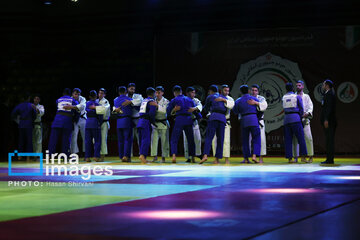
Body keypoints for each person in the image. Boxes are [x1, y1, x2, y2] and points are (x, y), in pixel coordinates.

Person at [167, 85, 198, 163]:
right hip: (188, 120)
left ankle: (174, 156)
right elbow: (195, 111)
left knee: (174, 139)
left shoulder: (174, 100)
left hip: (179, 120)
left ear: (174, 93)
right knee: (191, 139)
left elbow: (168, 112)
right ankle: (193, 157)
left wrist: (174, 110)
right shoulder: (189, 99)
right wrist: (199, 117)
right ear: (181, 92)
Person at [233, 85, 261, 163]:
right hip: (253, 119)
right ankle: (254, 156)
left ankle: (246, 159)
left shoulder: (238, 101)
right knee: (256, 138)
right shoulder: (254, 99)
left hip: (244, 120)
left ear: (241, 92)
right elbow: (260, 109)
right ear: (249, 91)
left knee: (245, 140)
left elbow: (235, 111)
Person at [199, 85, 227, 164]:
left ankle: (205, 156)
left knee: (209, 137)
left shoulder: (210, 97)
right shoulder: (224, 97)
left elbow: (206, 108)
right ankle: (217, 159)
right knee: (220, 139)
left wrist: (208, 112)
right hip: (222, 118)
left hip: (214, 117)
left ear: (210, 91)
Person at [282, 82, 308, 163]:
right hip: (296, 119)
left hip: (286, 119)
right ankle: (303, 157)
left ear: (286, 89)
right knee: (301, 138)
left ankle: (290, 158)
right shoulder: (297, 97)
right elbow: (301, 108)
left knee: (288, 140)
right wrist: (299, 116)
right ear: (293, 88)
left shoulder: (283, 97)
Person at [48, 88, 79, 155]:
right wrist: (75, 120)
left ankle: (50, 155)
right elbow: (77, 111)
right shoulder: (73, 100)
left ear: (63, 93)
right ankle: (64, 155)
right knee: (66, 139)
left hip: (57, 121)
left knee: (53, 139)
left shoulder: (58, 100)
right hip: (67, 121)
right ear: (71, 94)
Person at [211, 84, 234, 164]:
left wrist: (224, 100)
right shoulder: (216, 97)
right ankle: (216, 158)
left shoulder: (230, 99)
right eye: (225, 90)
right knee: (215, 140)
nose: (227, 92)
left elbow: (231, 105)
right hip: (216, 120)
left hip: (226, 122)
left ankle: (226, 159)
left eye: (228, 90)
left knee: (226, 140)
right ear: (221, 90)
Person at [292, 80, 314, 163]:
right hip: (296, 119)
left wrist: (307, 113)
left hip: (305, 120)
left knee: (308, 138)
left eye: (299, 85)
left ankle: (310, 155)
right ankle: (295, 157)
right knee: (295, 139)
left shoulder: (306, 97)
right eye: (297, 85)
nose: (298, 87)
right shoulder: (293, 96)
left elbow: (310, 107)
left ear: (303, 86)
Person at [11, 93, 37, 160]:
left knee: (21, 141)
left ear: (23, 98)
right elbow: (35, 115)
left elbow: (13, 114)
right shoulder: (31, 105)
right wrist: (32, 120)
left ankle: (20, 156)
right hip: (29, 124)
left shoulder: (19, 105)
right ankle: (28, 157)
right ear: (28, 98)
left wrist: (18, 120)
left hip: (21, 124)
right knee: (29, 140)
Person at [122, 83, 143, 156]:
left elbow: (140, 102)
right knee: (128, 137)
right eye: (131, 89)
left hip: (137, 118)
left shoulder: (138, 96)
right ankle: (129, 154)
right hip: (129, 119)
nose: (133, 90)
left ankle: (141, 154)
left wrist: (130, 101)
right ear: (127, 89)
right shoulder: (124, 96)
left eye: (134, 89)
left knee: (139, 137)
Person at [248, 84, 268, 163]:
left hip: (259, 121)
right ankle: (247, 157)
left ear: (258, 91)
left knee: (262, 139)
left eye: (255, 90)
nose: (254, 92)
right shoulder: (248, 98)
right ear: (250, 91)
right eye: (252, 90)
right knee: (248, 140)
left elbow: (265, 106)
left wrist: (256, 103)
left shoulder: (261, 98)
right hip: (250, 121)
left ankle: (261, 158)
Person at [137, 87, 158, 163]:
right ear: (154, 93)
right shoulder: (151, 101)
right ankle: (142, 156)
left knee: (142, 139)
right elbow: (152, 113)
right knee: (146, 139)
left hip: (140, 121)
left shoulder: (144, 100)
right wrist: (153, 122)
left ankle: (142, 156)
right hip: (146, 122)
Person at [113, 86, 133, 162]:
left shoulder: (115, 100)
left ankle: (121, 156)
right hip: (127, 120)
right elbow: (138, 103)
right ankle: (126, 156)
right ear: (126, 92)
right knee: (127, 139)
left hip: (119, 121)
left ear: (119, 92)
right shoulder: (129, 99)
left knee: (120, 140)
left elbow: (114, 108)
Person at [150, 86, 170, 163]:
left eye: (159, 92)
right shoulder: (152, 100)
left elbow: (165, 111)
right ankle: (154, 156)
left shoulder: (166, 101)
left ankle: (163, 157)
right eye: (156, 92)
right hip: (155, 123)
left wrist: (157, 106)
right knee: (154, 141)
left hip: (163, 122)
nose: (157, 94)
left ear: (162, 93)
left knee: (164, 141)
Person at [183, 87, 203, 162]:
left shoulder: (196, 100)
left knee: (197, 139)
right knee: (186, 140)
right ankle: (188, 156)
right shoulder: (184, 100)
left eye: (194, 92)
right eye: (192, 92)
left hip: (194, 122)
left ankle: (198, 154)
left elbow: (200, 107)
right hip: (186, 122)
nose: (194, 94)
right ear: (187, 93)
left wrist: (194, 109)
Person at [320, 79, 337, 164]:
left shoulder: (330, 94)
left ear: (327, 85)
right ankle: (329, 158)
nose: (323, 86)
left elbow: (329, 108)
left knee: (330, 140)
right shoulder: (327, 94)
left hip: (330, 121)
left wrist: (326, 119)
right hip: (328, 120)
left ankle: (330, 159)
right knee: (328, 140)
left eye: (324, 84)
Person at [85, 90, 103, 162]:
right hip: (95, 123)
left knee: (88, 141)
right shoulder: (98, 105)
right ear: (96, 96)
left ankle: (87, 157)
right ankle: (96, 156)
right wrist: (100, 123)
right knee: (97, 141)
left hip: (88, 123)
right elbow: (100, 116)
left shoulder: (87, 104)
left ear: (89, 97)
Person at [68, 88, 87, 155]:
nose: (77, 96)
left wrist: (72, 107)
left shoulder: (82, 99)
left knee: (85, 136)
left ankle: (86, 153)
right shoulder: (69, 99)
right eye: (75, 94)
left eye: (78, 94)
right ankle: (74, 153)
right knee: (74, 136)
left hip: (82, 118)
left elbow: (82, 106)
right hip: (74, 119)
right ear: (72, 94)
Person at [96, 88, 111, 161]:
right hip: (97, 123)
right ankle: (97, 154)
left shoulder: (105, 101)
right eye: (99, 93)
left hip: (104, 122)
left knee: (103, 139)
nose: (100, 94)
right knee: (95, 140)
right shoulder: (96, 101)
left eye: (102, 93)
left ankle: (102, 156)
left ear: (104, 94)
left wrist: (94, 108)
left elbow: (103, 110)